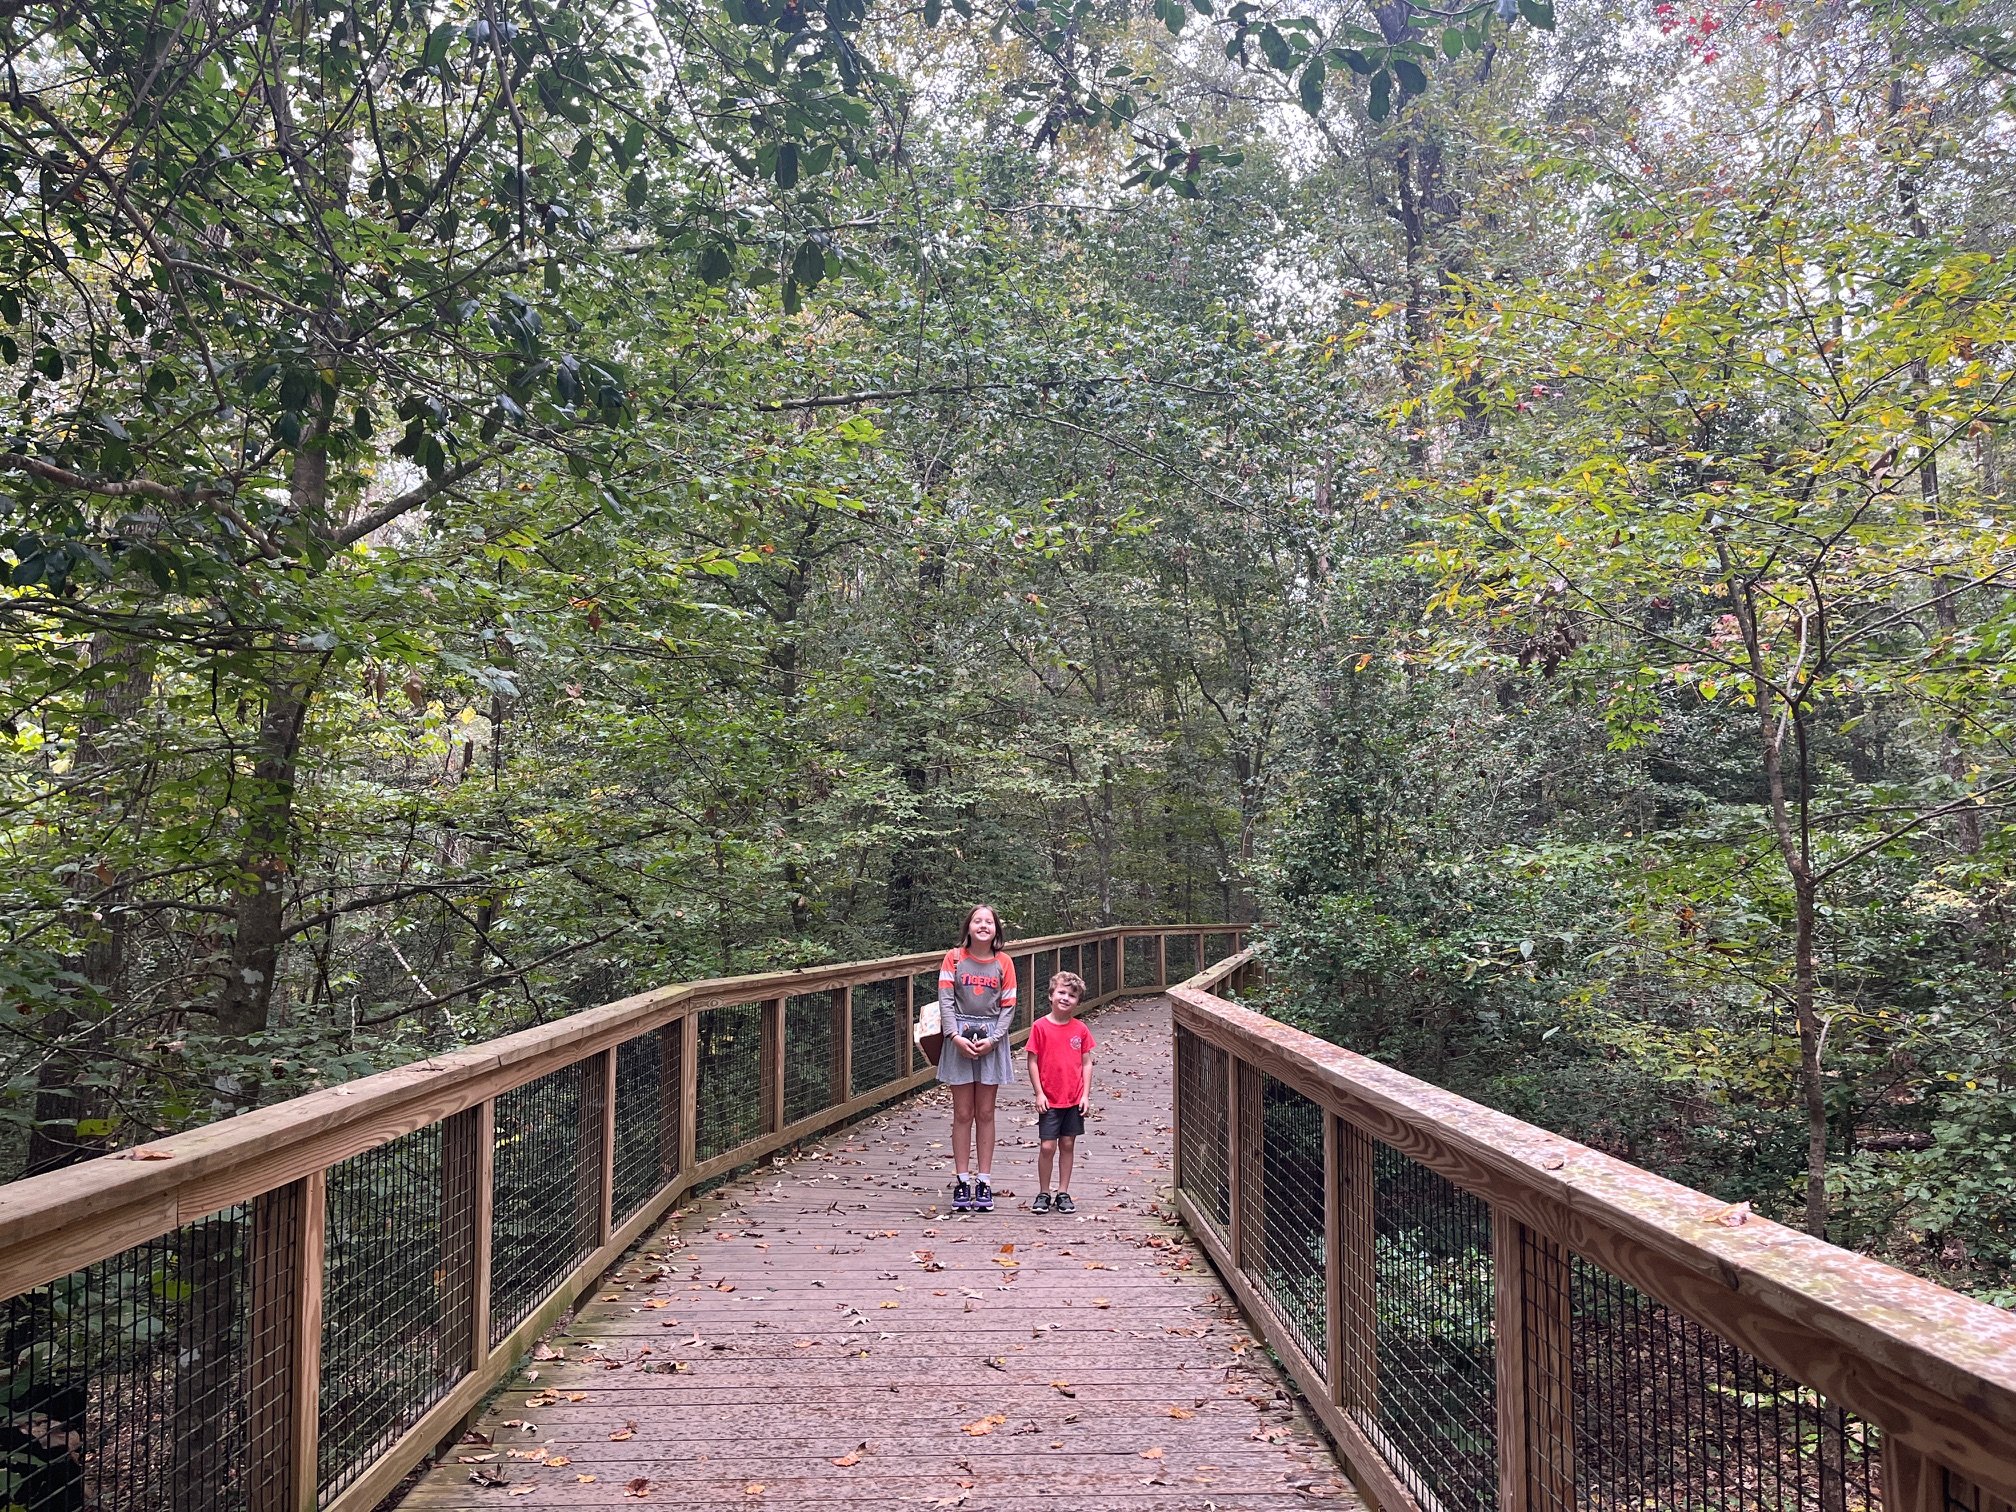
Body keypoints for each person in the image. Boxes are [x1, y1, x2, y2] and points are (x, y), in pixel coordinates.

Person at [936, 904, 1017, 1212]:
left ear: (996, 929)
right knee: (962, 1112)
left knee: (985, 1112)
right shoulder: (954, 958)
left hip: (991, 1039)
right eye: (977, 920)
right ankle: (962, 1180)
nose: (983, 925)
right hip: (957, 1036)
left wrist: (994, 1040)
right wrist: (954, 1036)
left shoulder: (1003, 962)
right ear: (968, 926)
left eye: (989, 921)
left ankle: (984, 1180)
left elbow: (1008, 1005)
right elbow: (945, 998)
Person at [1025, 970, 1094, 1215]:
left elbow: (1086, 1063)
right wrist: (1039, 1093)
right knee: (1047, 1146)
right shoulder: (1040, 1027)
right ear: (1051, 995)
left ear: (1078, 1001)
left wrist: (1085, 1095)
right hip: (1050, 1098)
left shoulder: (1081, 1029)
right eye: (1061, 992)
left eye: (1072, 995)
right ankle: (1043, 1192)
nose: (1066, 998)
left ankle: (1063, 1192)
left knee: (1067, 1143)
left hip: (1073, 1097)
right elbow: (1032, 1061)